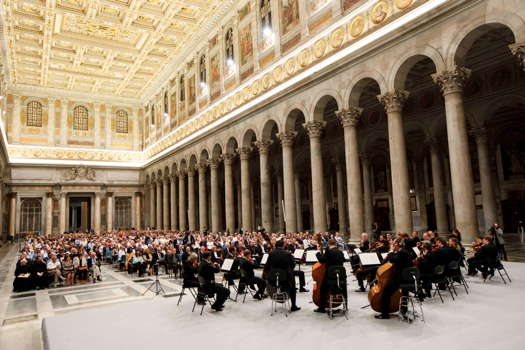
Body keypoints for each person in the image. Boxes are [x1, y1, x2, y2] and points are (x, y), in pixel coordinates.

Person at [375, 238, 412, 320]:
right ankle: (403, 309)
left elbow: (392, 259)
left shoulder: (401, 253)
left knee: (385, 293)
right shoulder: (406, 252)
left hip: (400, 279)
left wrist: (391, 252)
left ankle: (385, 314)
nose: (392, 246)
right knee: (405, 292)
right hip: (408, 279)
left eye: (393, 244)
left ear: (396, 245)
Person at [265, 239, 300, 312]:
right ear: (283, 245)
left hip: (273, 278)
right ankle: (293, 306)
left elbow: (267, 266)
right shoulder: (287, 254)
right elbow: (292, 265)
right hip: (285, 278)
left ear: (276, 245)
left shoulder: (271, 253)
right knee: (293, 287)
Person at [314, 239, 347, 313]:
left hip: (330, 275)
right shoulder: (340, 252)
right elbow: (344, 260)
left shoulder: (328, 252)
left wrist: (318, 252)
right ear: (335, 244)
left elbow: (322, 260)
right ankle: (346, 306)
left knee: (322, 288)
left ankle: (322, 308)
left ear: (328, 244)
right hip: (340, 276)